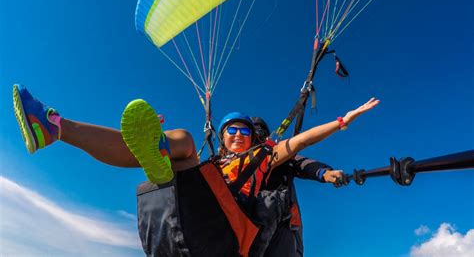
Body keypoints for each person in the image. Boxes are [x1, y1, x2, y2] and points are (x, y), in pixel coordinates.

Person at [12, 84, 379, 256]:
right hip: (196, 217)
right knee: (181, 148)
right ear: (222, 137)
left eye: (243, 130)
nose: (237, 134)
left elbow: (301, 144)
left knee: (184, 141)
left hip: (230, 234)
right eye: (230, 130)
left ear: (253, 136)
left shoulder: (265, 155)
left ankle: (161, 154)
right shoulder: (214, 162)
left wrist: (343, 120)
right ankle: (55, 127)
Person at [251, 117, 343, 257]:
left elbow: (300, 163)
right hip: (248, 223)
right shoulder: (233, 163)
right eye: (252, 133)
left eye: (260, 133)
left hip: (283, 224)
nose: (256, 137)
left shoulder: (276, 155)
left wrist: (323, 173)